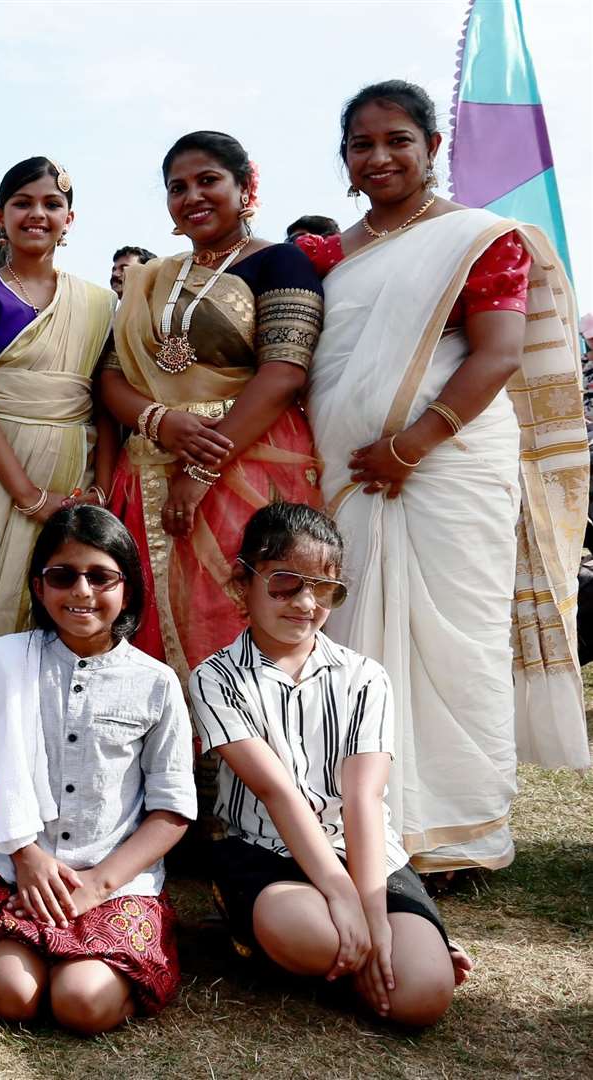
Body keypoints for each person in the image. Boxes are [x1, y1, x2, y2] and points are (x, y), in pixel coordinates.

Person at [296, 80, 588, 873]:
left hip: (449, 468)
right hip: (350, 479)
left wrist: (413, 443)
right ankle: (358, 820)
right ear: (346, 161)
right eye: (363, 144)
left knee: (457, 645)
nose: (380, 156)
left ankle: (456, 835)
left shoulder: (479, 238)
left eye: (398, 139)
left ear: (431, 148)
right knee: (351, 644)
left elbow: (497, 352)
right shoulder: (326, 256)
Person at [190, 502, 471, 1027]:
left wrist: (372, 914)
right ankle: (300, 943)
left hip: (364, 856)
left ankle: (350, 958)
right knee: (309, 932)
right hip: (267, 851)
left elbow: (364, 799)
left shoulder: (366, 676)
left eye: (325, 589)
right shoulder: (217, 677)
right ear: (240, 583)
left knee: (423, 999)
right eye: (284, 583)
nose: (305, 602)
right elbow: (278, 794)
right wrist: (343, 904)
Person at [0, 505, 194, 1033]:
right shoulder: (9, 665)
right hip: (24, 872)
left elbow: (172, 809)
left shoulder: (156, 682)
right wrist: (26, 856)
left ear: (127, 586)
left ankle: (110, 965)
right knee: (12, 996)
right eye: (62, 576)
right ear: (38, 584)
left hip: (114, 880)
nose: (81, 592)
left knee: (81, 1004)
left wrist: (98, 885)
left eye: (100, 576)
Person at [98, 130, 325, 688]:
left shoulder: (281, 263)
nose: (192, 196)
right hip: (152, 463)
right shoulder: (152, 278)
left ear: (246, 185)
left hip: (248, 459)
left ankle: (251, 751)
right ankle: (180, 757)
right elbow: (110, 376)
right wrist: (162, 421)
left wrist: (201, 470)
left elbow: (284, 373)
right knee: (150, 609)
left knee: (238, 601)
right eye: (178, 187)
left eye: (208, 181)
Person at [0, 157, 116, 646]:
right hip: (3, 469)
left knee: (71, 596)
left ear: (69, 220)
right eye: (22, 203)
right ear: (0, 217)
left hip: (76, 473)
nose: (36, 214)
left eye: (51, 204)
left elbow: (101, 402)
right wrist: (29, 496)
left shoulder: (98, 302)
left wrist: (102, 489)